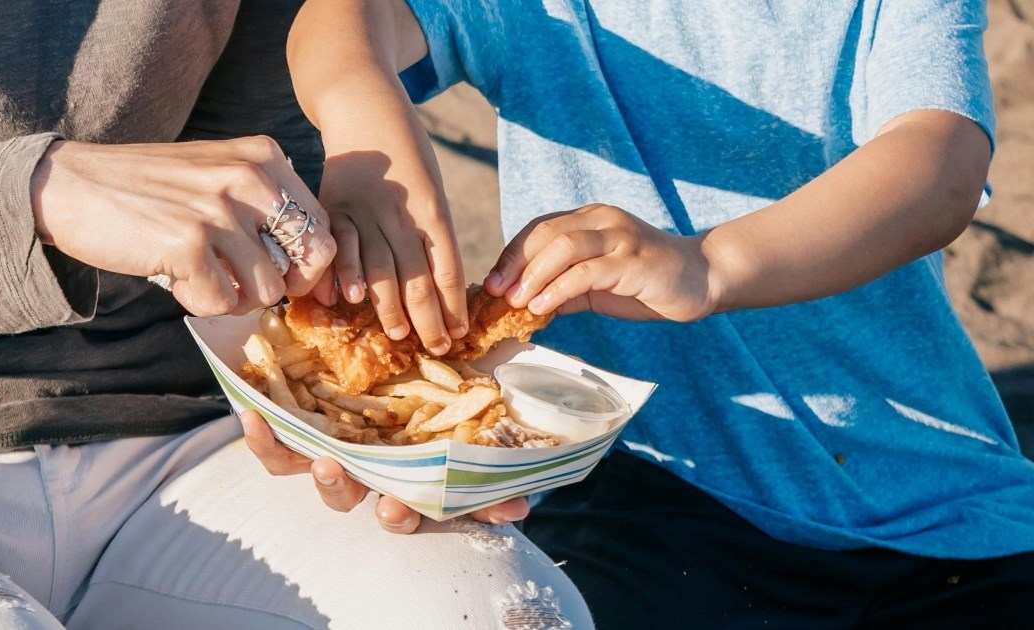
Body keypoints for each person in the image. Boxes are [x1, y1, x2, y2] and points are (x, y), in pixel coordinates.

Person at [0, 2, 589, 628]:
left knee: (505, 612)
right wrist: (40, 194)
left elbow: (261, 168)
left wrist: (346, 415)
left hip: (191, 434)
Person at [282, 0, 1034, 625]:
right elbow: (347, 20)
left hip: (941, 496)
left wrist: (709, 264)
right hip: (646, 485)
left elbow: (941, 163)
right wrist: (363, 122)